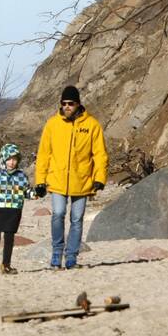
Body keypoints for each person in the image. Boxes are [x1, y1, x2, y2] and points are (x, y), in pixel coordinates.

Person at [35, 85, 108, 271]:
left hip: (82, 181)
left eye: (71, 103)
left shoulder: (92, 125)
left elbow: (100, 154)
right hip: (57, 180)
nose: (67, 106)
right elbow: (43, 154)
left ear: (78, 104)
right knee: (58, 214)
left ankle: (71, 258)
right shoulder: (52, 124)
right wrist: (40, 181)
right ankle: (56, 254)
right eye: (64, 103)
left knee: (77, 219)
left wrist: (100, 177)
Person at [0, 143, 40, 275]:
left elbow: (27, 193)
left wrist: (39, 192)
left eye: (15, 159)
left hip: (13, 210)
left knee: (9, 238)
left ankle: (6, 265)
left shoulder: (21, 176)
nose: (12, 162)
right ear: (3, 159)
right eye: (9, 159)